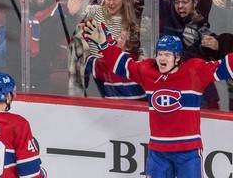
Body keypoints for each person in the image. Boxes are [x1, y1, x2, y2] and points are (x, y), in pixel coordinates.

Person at [82, 19, 233, 177]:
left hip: (187, 152)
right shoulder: (148, 71)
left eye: (167, 55)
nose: (162, 59)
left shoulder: (194, 71)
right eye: (160, 54)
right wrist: (105, 46)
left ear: (178, 58)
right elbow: (121, 65)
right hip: (158, 153)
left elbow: (226, 66)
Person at [67, 0, 142, 96]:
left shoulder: (129, 21)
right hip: (95, 71)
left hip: (114, 74)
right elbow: (81, 11)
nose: (111, 3)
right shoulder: (98, 11)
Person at [85, 23, 146, 99]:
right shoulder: (139, 63)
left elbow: (89, 63)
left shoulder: (109, 64)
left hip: (115, 109)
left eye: (121, 37)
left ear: (128, 47)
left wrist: (89, 48)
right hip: (139, 109)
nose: (116, 37)